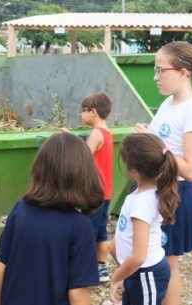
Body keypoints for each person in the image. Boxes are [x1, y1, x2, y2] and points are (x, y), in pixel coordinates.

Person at [136, 41, 192, 305]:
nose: (156, 77)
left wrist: (157, 144)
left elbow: (191, 169)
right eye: (155, 70)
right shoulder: (169, 103)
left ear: (183, 72)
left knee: (168, 264)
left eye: (161, 70)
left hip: (175, 193)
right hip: (159, 190)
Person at [0, 132, 102, 305]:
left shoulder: (21, 209)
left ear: (39, 169)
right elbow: (77, 293)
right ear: (84, 174)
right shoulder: (81, 227)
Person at [109, 133, 180, 305]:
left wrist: (116, 277)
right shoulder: (140, 195)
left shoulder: (142, 202)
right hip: (136, 272)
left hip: (146, 273)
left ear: (133, 170)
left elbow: (139, 256)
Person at [79, 92, 114, 282]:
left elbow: (84, 156)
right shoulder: (107, 132)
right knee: (101, 232)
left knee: (87, 231)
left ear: (93, 112)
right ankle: (101, 269)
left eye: (83, 111)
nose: (81, 115)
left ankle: (85, 270)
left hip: (94, 192)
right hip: (106, 192)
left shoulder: (95, 133)